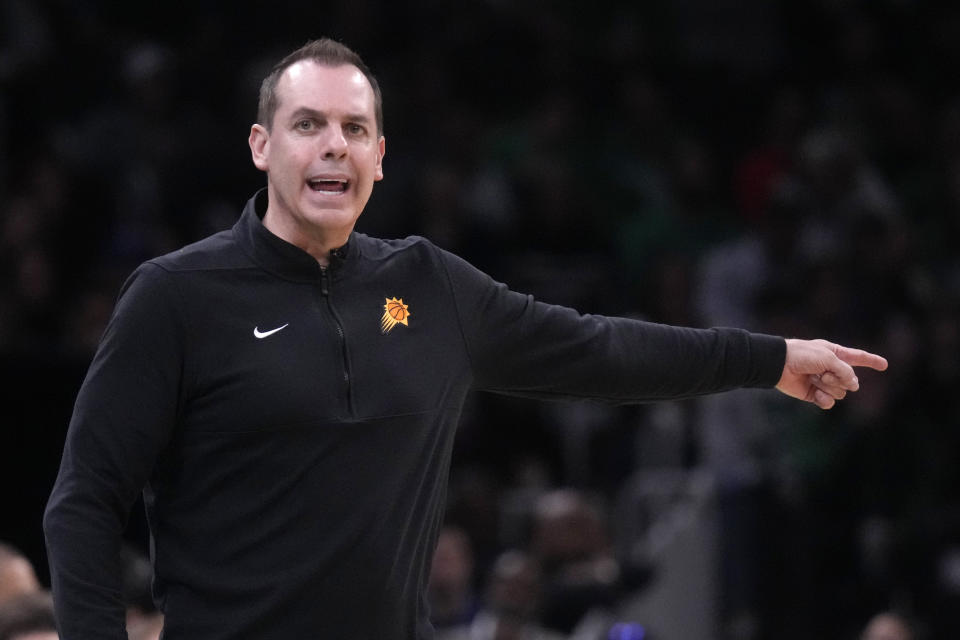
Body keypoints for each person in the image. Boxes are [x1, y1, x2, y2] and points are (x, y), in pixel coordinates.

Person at [42, 38, 888, 639]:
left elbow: (597, 350)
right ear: (262, 147)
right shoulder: (176, 297)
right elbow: (84, 499)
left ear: (379, 155)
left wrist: (768, 359)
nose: (333, 144)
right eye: (307, 125)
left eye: (354, 128)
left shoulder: (430, 286)